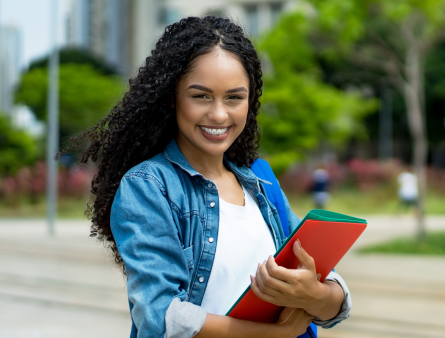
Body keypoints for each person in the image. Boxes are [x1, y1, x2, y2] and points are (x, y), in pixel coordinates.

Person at [72, 17, 351, 338]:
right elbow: (161, 316)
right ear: (171, 97)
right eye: (201, 96)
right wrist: (273, 334)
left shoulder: (262, 179)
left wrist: (316, 295)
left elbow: (334, 298)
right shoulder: (149, 185)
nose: (219, 114)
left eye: (234, 97)